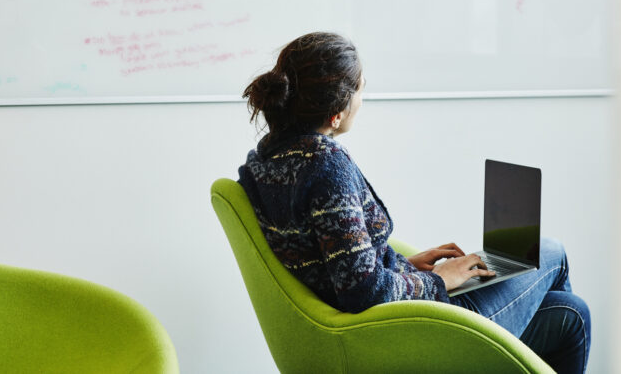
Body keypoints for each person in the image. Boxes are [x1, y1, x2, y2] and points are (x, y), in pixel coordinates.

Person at [237, 32, 591, 373]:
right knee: (551, 251)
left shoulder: (263, 163)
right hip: (415, 330)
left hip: (380, 322)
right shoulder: (325, 166)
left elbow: (331, 259)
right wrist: (439, 280)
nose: (362, 98)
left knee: (571, 314)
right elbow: (361, 290)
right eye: (360, 89)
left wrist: (403, 266)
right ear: (337, 111)